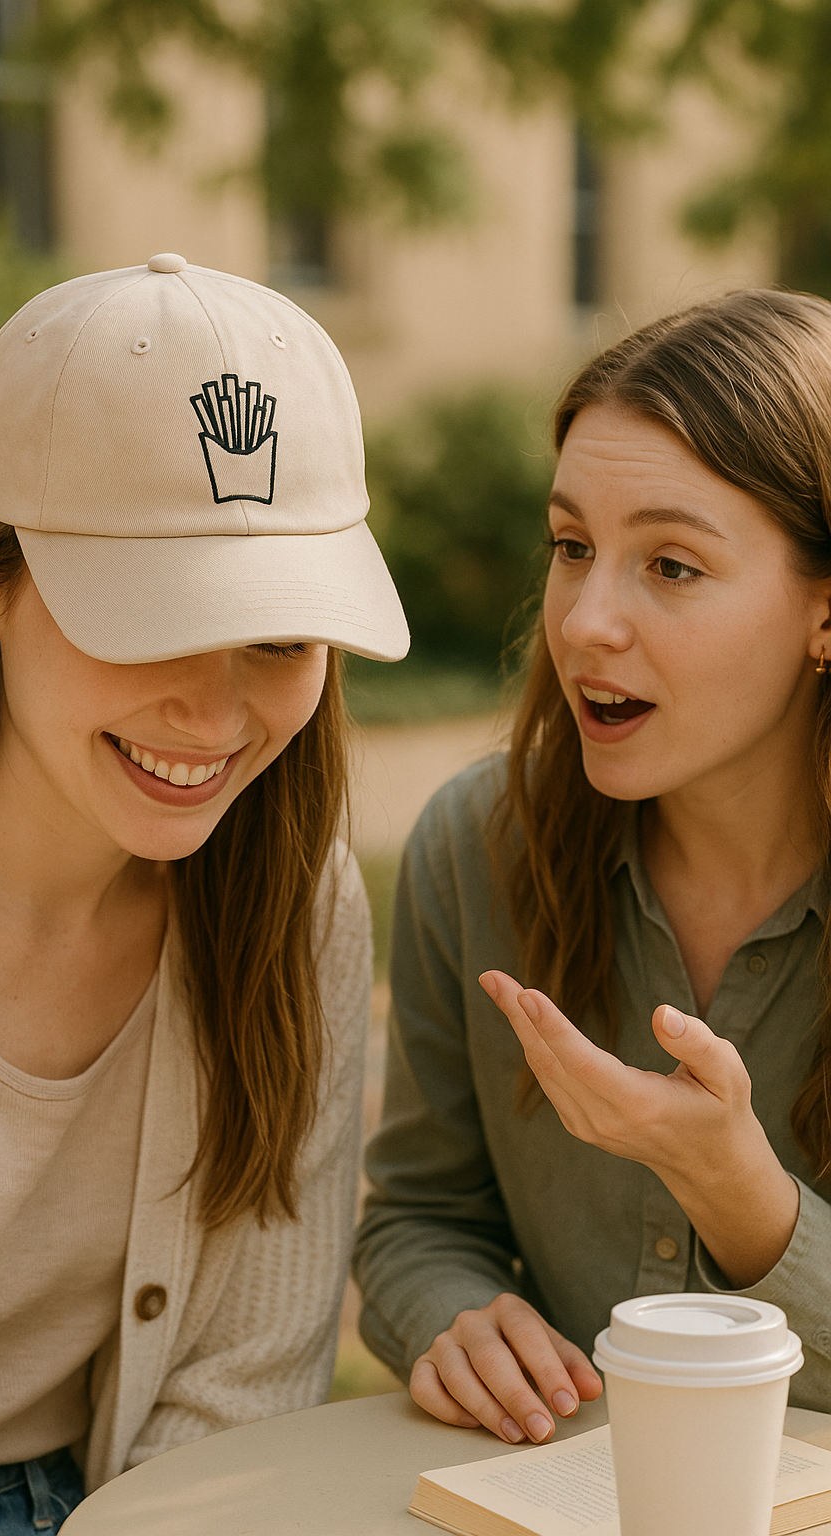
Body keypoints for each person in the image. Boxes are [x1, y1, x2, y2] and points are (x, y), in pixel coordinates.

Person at [0, 254, 408, 1536]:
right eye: (148, 621)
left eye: (279, 634)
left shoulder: (290, 905)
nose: (217, 710)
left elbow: (246, 1386)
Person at [354, 287, 831, 1452]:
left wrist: (739, 1190)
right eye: (573, 548)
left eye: (670, 565)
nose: (584, 622)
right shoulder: (476, 848)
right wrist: (452, 1316)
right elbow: (419, 1215)